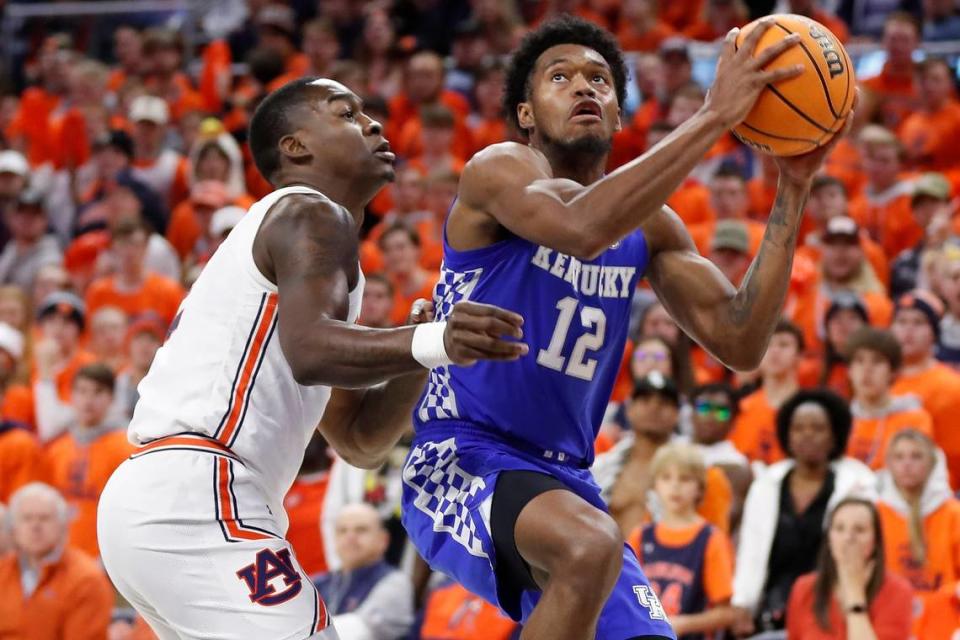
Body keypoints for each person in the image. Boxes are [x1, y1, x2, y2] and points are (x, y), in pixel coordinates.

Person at [400, 14, 846, 640]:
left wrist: (792, 188)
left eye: (600, 81)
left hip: (567, 480)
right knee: (587, 547)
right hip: (461, 455)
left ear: (616, 116)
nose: (585, 87)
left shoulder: (653, 226)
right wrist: (713, 116)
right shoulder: (499, 168)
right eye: (561, 77)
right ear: (526, 113)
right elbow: (581, 229)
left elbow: (741, 341)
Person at [96, 77, 525, 640]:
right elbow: (311, 352)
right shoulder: (309, 212)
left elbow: (357, 440)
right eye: (346, 113)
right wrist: (438, 339)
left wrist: (421, 354)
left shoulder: (301, 251)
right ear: (296, 147)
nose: (372, 123)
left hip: (166, 499)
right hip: (199, 491)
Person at [732, 390, 875, 635]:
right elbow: (751, 552)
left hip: (830, 612)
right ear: (786, 435)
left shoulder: (859, 483)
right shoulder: (766, 484)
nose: (807, 434)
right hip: (771, 611)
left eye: (818, 428)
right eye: (798, 428)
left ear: (834, 436)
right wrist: (742, 604)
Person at [627, 444, 736, 639]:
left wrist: (684, 624)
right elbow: (625, 594)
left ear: (700, 488)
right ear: (655, 485)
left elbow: (726, 613)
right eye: (666, 478)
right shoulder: (641, 535)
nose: (675, 486)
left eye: (684, 479)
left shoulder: (711, 538)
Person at [785, 498, 914, 640]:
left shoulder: (898, 591)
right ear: (829, 537)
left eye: (859, 530)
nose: (848, 537)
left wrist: (854, 594)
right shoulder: (804, 588)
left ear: (875, 539)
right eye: (839, 528)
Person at [0, 483, 114, 639]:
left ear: (63, 526)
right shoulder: (3, 572)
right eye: (27, 518)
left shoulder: (86, 579)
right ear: (13, 528)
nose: (35, 525)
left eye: (44, 518)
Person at [45, 363, 133, 558]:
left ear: (111, 398)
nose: (88, 400)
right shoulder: (58, 448)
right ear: (71, 395)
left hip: (106, 560)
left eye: (97, 392)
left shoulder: (124, 447)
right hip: (62, 561)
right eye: (82, 391)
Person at [876, 429, 960, 607]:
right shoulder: (875, 513)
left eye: (916, 456)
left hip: (946, 616)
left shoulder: (954, 513)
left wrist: (931, 603)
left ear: (932, 462)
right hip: (890, 613)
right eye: (899, 457)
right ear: (889, 464)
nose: (907, 464)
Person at [890, 290, 960, 488]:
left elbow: (954, 460)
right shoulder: (879, 377)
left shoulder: (951, 386)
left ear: (934, 332)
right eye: (901, 322)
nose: (908, 330)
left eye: (918, 322)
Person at [313, 503, 414, 639]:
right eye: (342, 530)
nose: (350, 537)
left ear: (383, 540)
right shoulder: (317, 583)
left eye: (361, 530)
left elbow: (360, 632)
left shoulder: (396, 582)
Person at [845, 328, 933, 470]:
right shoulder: (840, 418)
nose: (867, 369)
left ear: (893, 371)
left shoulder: (914, 419)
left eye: (877, 361)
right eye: (859, 361)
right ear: (849, 370)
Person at [730, 320, 804, 465]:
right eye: (767, 344)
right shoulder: (740, 408)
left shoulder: (808, 409)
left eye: (784, 344)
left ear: (799, 356)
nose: (775, 350)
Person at [0, 189, 63, 291]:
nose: (27, 218)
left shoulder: (50, 253)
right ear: (10, 218)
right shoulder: (11, 247)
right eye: (22, 212)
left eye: (35, 213)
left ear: (45, 220)